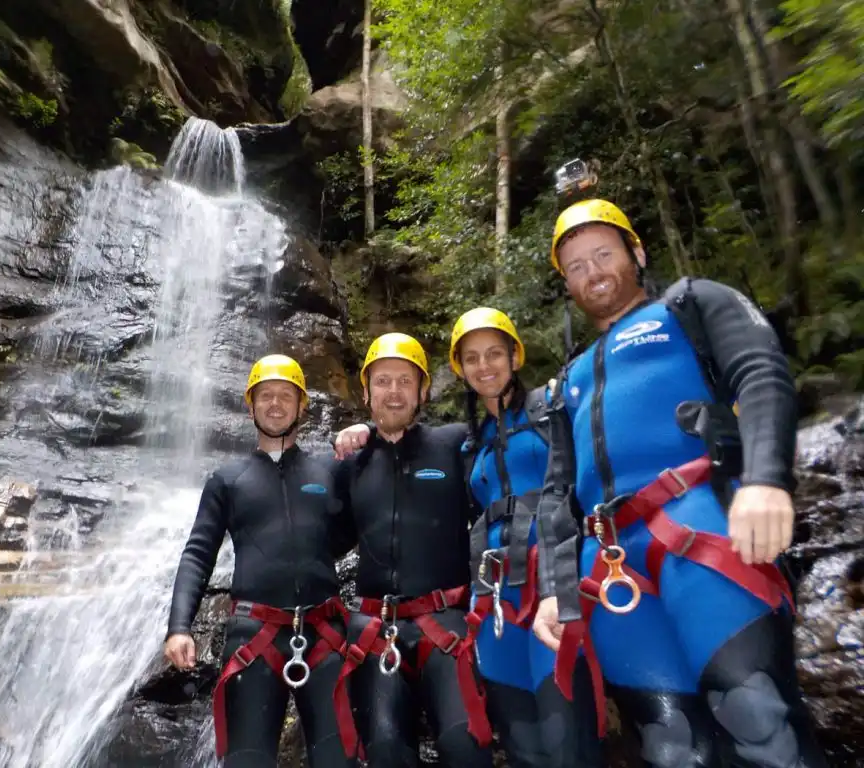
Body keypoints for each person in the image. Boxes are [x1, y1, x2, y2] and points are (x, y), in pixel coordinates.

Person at [531, 199, 829, 767]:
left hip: (700, 521)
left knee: (758, 718)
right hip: (611, 561)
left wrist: (767, 479)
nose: (592, 272)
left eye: (603, 254)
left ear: (636, 253)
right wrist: (553, 586)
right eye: (575, 266)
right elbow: (557, 492)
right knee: (668, 748)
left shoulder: (690, 304)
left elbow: (761, 371)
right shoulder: (567, 378)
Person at [164, 354, 359, 768]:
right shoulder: (227, 480)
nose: (275, 403)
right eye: (265, 395)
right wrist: (179, 626)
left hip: (324, 632)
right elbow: (198, 553)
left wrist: (366, 431)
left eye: (285, 395)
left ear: (302, 404)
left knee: (338, 759)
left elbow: (363, 520)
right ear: (250, 405)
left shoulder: (330, 471)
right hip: (256, 636)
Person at [330, 332, 494, 768]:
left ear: (423, 390)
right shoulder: (350, 464)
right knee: (384, 749)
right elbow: (322, 537)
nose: (394, 391)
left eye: (406, 380)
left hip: (446, 621)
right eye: (383, 381)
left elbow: (508, 425)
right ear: (366, 393)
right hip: (374, 625)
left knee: (465, 744)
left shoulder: (455, 445)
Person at [448, 307, 603, 767]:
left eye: (494, 353)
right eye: (472, 358)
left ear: (515, 357)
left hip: (551, 582)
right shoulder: (469, 443)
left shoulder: (551, 408)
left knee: (566, 743)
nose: (484, 366)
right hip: (493, 597)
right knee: (522, 748)